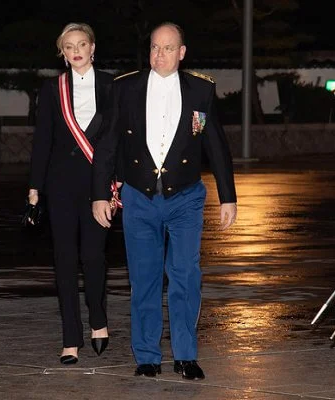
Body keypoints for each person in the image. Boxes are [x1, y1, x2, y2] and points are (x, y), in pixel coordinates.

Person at [92, 22, 237, 380]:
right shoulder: (124, 88)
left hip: (185, 196)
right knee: (144, 278)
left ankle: (186, 356)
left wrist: (227, 197)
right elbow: (108, 145)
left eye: (168, 48)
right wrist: (99, 194)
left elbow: (214, 144)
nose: (160, 54)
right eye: (155, 47)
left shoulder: (201, 91)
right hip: (139, 197)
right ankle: (147, 356)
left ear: (182, 52)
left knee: (186, 275)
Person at [26, 23, 113, 364]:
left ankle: (99, 320)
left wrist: (117, 181)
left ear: (93, 47)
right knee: (64, 262)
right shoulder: (52, 88)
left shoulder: (111, 85)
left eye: (81, 44)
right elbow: (43, 139)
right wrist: (35, 187)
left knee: (93, 258)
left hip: (99, 186)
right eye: (68, 46)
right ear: (61, 52)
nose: (75, 51)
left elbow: (119, 137)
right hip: (60, 184)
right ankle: (70, 338)